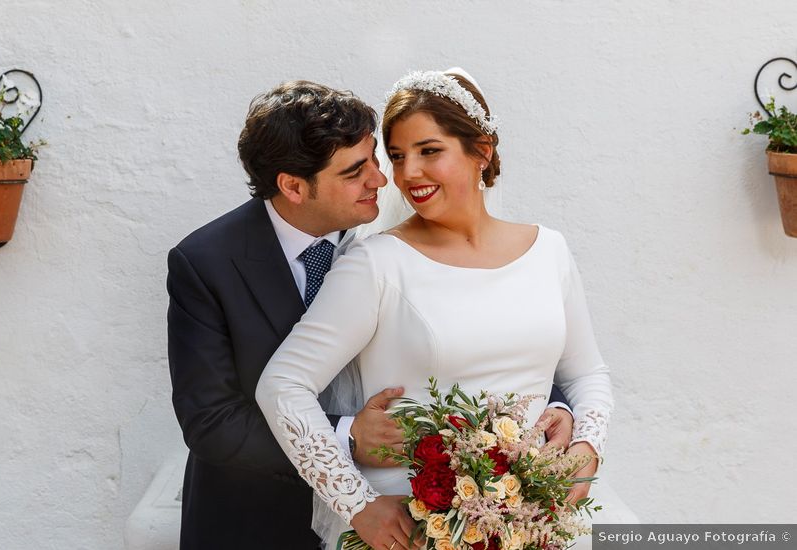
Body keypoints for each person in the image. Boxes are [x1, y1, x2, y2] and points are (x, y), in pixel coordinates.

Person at [167, 79, 574, 549]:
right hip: (260, 520)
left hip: (408, 516)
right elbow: (211, 422)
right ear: (294, 186)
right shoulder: (207, 262)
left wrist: (555, 400)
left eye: (377, 159)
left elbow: (474, 330)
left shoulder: (391, 243)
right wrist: (349, 441)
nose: (381, 180)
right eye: (355, 172)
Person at [256, 68, 613, 550]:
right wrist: (356, 504)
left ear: (481, 152)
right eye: (398, 156)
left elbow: (587, 374)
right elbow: (283, 386)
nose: (407, 174)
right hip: (416, 529)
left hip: (532, 523)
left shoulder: (549, 250)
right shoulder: (376, 263)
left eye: (429, 152)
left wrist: (587, 448)